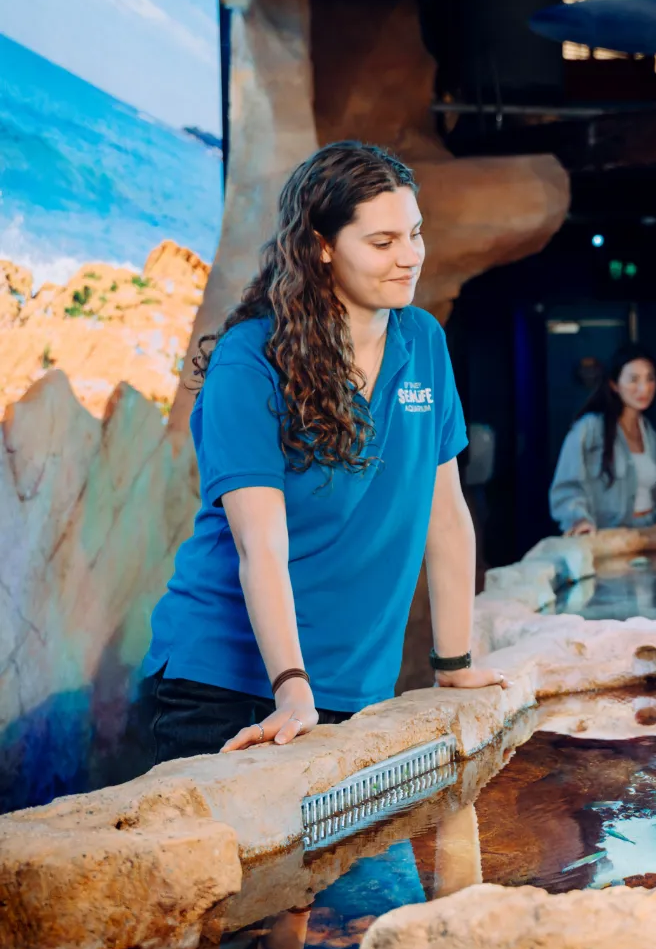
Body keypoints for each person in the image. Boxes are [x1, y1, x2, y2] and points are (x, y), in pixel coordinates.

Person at [134, 141, 505, 760]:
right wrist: (292, 689)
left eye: (415, 234)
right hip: (231, 685)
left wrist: (455, 661)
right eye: (382, 242)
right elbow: (261, 546)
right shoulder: (250, 360)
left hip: (355, 682)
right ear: (322, 245)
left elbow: (445, 515)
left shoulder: (424, 342)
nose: (409, 257)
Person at [549, 345, 656, 534]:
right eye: (633, 379)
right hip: (608, 536)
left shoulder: (651, 434)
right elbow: (567, 487)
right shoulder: (589, 429)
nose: (644, 388)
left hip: (651, 533)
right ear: (614, 384)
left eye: (650, 378)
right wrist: (579, 520)